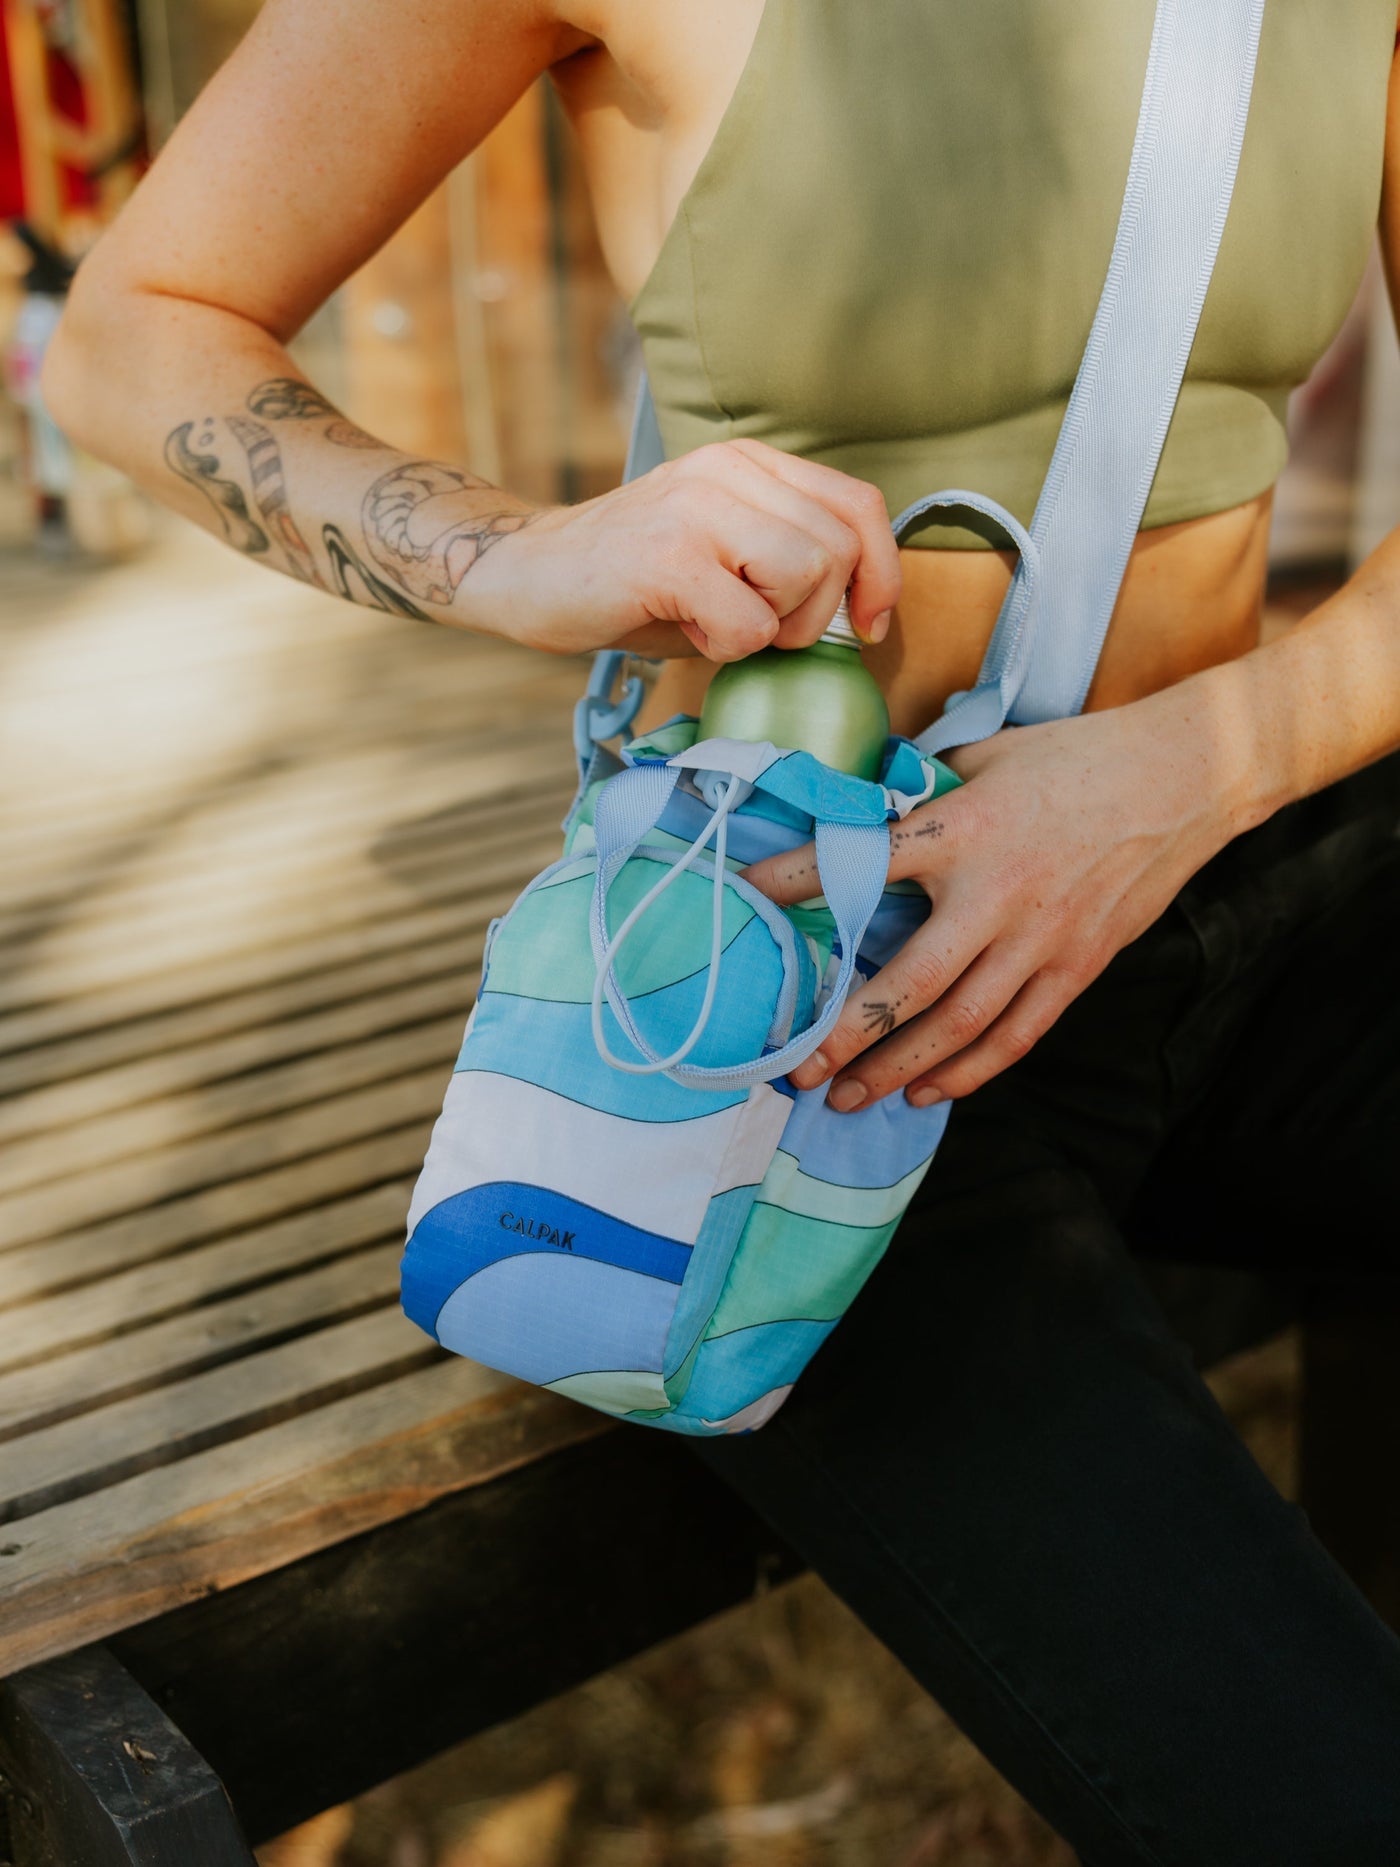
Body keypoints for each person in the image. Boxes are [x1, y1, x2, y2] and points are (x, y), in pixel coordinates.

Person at [42, 2, 1400, 1858]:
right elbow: (133, 332)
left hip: (1229, 870)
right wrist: (510, 555)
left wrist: (1198, 766)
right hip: (810, 1026)